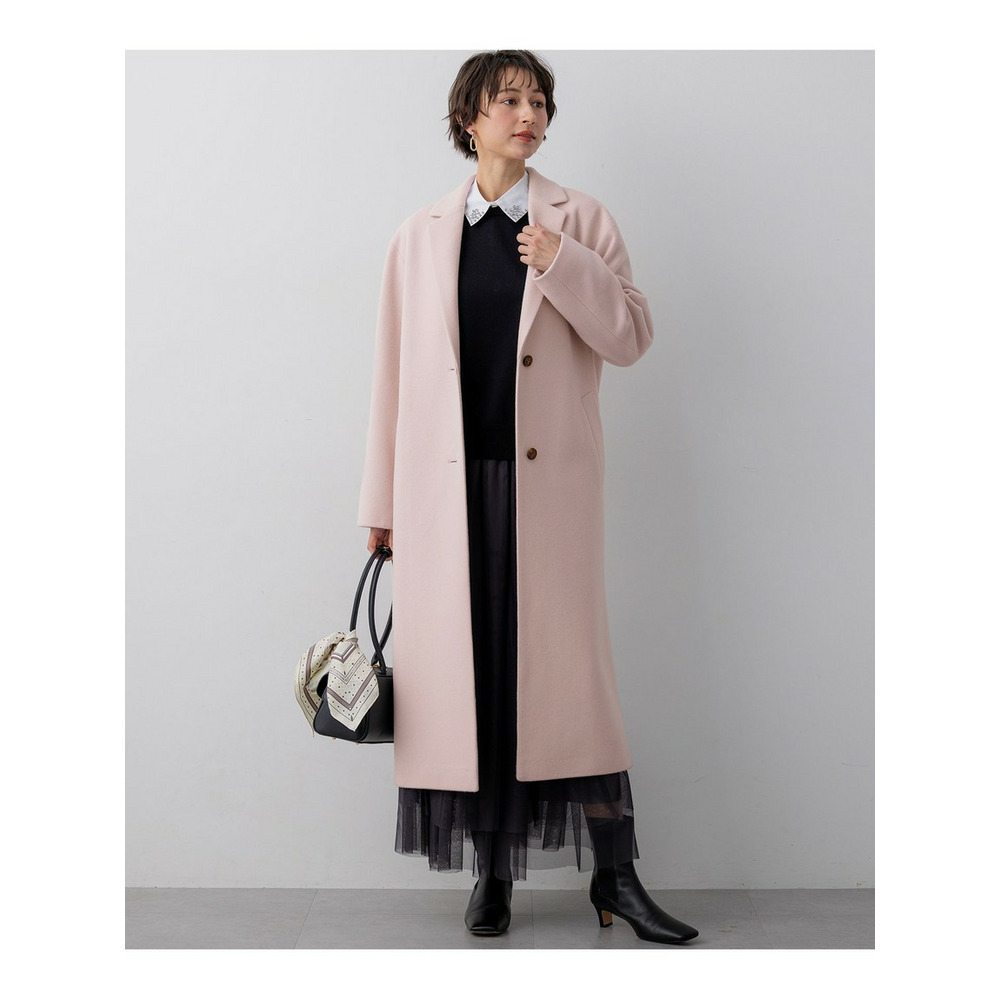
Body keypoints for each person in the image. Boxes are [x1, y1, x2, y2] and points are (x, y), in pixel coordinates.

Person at [357, 49, 698, 945]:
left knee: (568, 684)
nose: (528, 114)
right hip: (444, 498)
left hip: (548, 493)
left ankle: (617, 876)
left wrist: (563, 263)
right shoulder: (419, 236)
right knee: (470, 686)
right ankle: (492, 876)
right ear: (467, 117)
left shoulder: (579, 221)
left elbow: (631, 336)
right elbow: (391, 377)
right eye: (508, 99)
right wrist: (379, 506)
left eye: (539, 100)